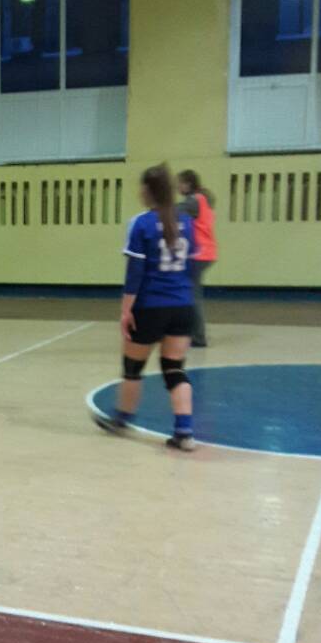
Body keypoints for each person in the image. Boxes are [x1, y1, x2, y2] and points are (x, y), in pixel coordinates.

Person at [95, 164, 196, 452]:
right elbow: (191, 267)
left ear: (147, 190)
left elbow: (135, 273)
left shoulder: (141, 223)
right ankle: (184, 431)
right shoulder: (186, 222)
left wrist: (126, 311)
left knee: (132, 368)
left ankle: (122, 419)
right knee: (174, 369)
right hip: (183, 305)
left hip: (150, 306)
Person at [177, 170, 217, 347]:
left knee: (192, 296)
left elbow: (175, 211)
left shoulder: (194, 200)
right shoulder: (203, 200)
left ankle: (198, 337)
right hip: (206, 252)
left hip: (198, 254)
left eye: (180, 183)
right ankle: (188, 331)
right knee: (189, 293)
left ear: (188, 184)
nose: (178, 187)